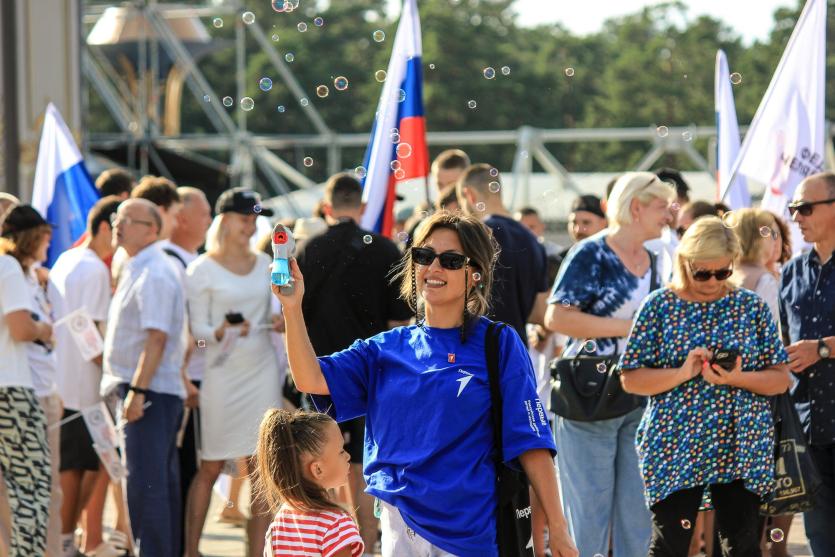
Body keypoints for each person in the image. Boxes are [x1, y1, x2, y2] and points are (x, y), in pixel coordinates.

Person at [274, 210, 578, 557]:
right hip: (398, 528)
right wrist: (291, 308)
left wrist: (558, 526)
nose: (433, 269)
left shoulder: (499, 343)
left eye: (450, 260)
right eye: (424, 256)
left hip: (470, 534)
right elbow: (310, 377)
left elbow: (531, 443)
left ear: (475, 274)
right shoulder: (386, 347)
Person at [620, 216, 790, 556]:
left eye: (723, 272)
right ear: (686, 262)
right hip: (675, 443)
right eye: (703, 273)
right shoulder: (659, 306)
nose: (713, 281)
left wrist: (737, 378)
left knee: (741, 547)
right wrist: (683, 372)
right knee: (669, 545)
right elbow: (630, 378)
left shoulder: (750, 305)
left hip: (741, 444)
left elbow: (781, 378)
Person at [544, 171, 675, 556]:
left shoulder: (653, 258)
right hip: (588, 398)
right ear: (636, 207)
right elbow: (557, 318)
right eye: (661, 206)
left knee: (637, 516)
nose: (669, 214)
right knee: (588, 517)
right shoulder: (592, 252)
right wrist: (628, 327)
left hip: (639, 394)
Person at [296, 172, 412, 551]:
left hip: (320, 370)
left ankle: (320, 539)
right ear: (361, 207)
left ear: (327, 207)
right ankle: (365, 537)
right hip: (371, 369)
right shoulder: (384, 250)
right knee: (363, 457)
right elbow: (399, 322)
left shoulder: (309, 249)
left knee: (315, 456)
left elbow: (292, 317)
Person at [183, 188, 280, 557]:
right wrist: (219, 333)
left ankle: (256, 552)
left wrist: (277, 321)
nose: (251, 225)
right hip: (221, 375)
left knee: (262, 470)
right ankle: (191, 550)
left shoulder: (265, 264)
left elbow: (275, 311)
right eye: (244, 217)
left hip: (261, 370)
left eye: (255, 218)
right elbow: (199, 338)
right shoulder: (201, 269)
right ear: (224, 221)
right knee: (209, 464)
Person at [100, 198, 186, 556]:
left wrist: (137, 390)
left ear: (152, 230)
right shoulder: (138, 266)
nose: (118, 224)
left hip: (149, 393)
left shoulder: (156, 271)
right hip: (147, 391)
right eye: (116, 218)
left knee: (147, 490)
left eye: (128, 219)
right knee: (151, 489)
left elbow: (157, 337)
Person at [49, 196, 122, 557]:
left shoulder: (66, 258)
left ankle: (67, 541)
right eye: (118, 228)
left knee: (79, 467)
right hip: (83, 388)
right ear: (105, 227)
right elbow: (89, 332)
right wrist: (115, 373)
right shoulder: (92, 268)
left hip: (61, 382)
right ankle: (64, 543)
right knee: (78, 470)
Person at [779, 171, 835, 555]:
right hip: (810, 426)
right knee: (821, 540)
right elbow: (786, 343)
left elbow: (815, 348)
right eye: (793, 208)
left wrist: (824, 348)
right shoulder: (791, 271)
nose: (796, 216)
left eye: (805, 207)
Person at [0, 205, 61, 556]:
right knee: (33, 488)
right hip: (12, 390)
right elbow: (22, 328)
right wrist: (44, 329)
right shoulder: (7, 266)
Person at [157, 186, 213, 548]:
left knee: (186, 470)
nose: (209, 220)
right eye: (205, 212)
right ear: (181, 217)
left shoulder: (187, 261)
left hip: (191, 379)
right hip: (182, 382)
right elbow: (173, 330)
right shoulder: (170, 262)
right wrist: (182, 377)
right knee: (179, 470)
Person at [457, 163, 549, 342]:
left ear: (469, 195)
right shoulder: (533, 241)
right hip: (517, 349)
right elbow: (540, 313)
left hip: (476, 348)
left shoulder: (476, 235)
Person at [256, 409, 364, 557]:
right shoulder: (337, 525)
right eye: (341, 451)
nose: (348, 456)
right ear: (318, 469)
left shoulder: (281, 519)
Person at [732, 209, 782, 321]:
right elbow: (770, 324)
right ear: (757, 239)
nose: (775, 240)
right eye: (769, 233)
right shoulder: (764, 280)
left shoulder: (728, 272)